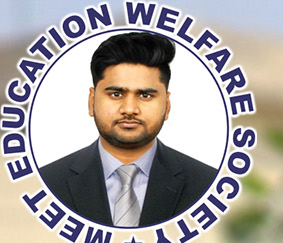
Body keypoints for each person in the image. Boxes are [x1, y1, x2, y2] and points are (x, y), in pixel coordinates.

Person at [40, 34, 217, 231]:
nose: (130, 109)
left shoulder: (209, 186)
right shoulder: (45, 184)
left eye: (145, 95)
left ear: (167, 105)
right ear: (91, 101)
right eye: (116, 94)